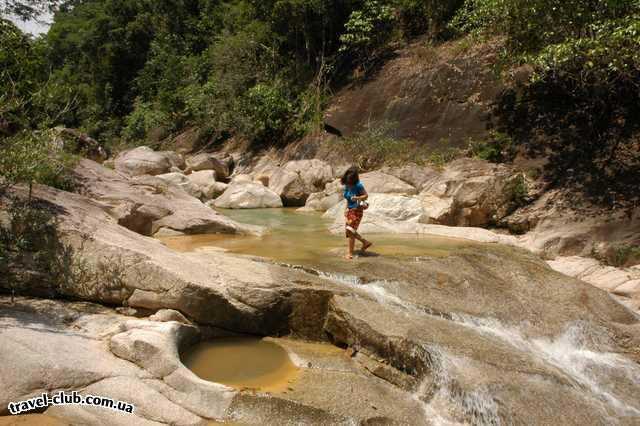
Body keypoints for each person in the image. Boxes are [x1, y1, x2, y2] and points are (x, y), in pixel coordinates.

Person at [341, 166, 372, 259]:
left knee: (350, 230)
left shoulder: (358, 185)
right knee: (349, 231)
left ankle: (350, 254)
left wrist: (357, 198)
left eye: (350, 180)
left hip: (357, 210)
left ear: (354, 179)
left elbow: (366, 196)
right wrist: (345, 209)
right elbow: (347, 199)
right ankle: (365, 242)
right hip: (350, 210)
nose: (349, 182)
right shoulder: (347, 185)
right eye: (347, 180)